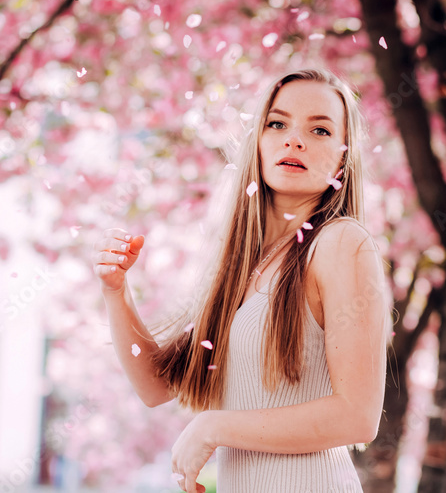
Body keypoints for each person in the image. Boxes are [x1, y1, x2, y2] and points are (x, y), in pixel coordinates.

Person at [93, 68, 392, 493]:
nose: (294, 139)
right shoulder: (240, 267)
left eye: (320, 130)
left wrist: (214, 427)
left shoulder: (342, 243)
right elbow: (155, 386)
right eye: (277, 123)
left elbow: (358, 416)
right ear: (258, 140)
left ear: (342, 159)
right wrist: (116, 293)